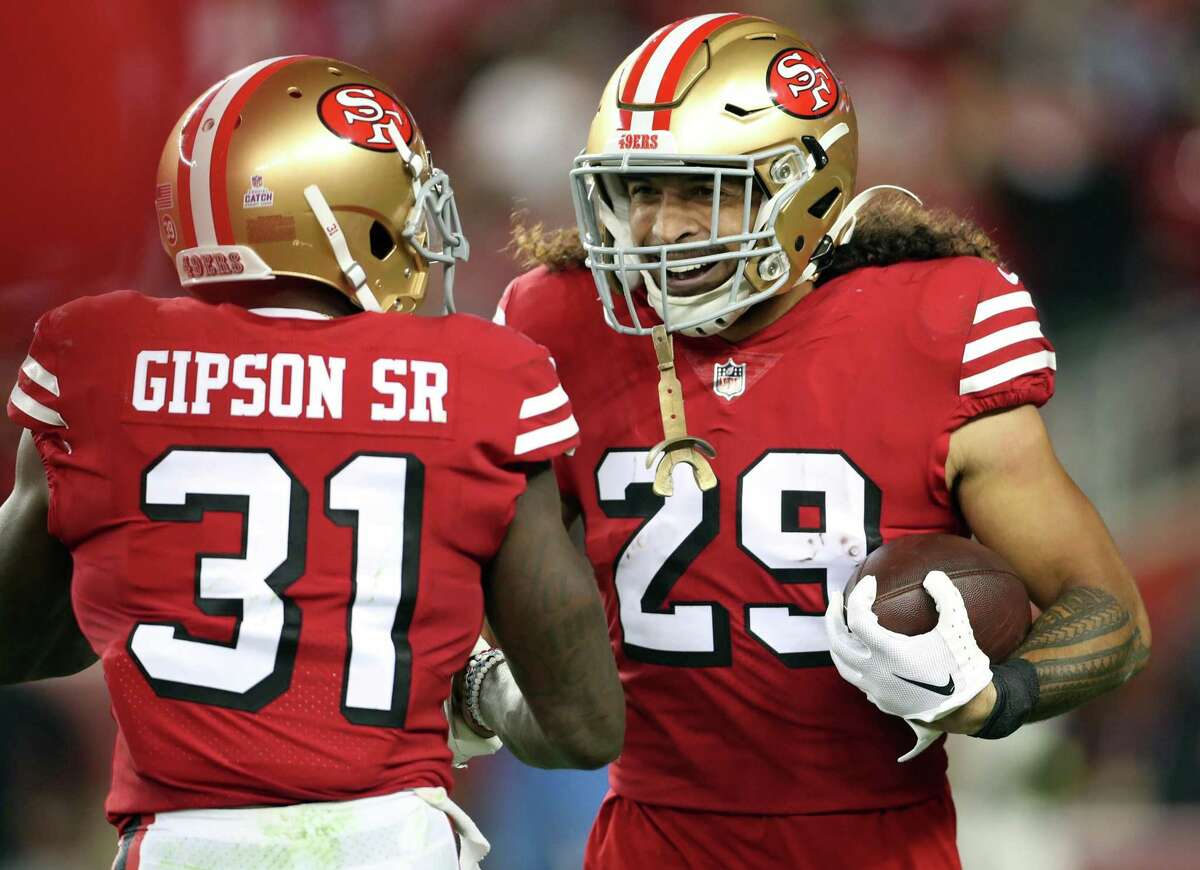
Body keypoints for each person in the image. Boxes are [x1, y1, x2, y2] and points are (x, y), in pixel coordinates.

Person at [490, 13, 1151, 869]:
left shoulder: (933, 323)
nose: (660, 229)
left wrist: (994, 697)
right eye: (639, 189)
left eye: (702, 190)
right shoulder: (560, 319)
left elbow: (1109, 614)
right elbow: (472, 578)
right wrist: (481, 681)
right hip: (651, 836)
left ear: (804, 188)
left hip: (877, 841)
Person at [0, 55, 623, 870]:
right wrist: (475, 689)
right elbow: (581, 726)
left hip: (184, 845)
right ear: (350, 217)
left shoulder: (97, 359)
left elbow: (21, 641)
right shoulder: (483, 376)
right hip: (392, 844)